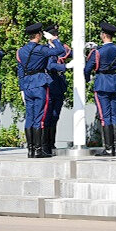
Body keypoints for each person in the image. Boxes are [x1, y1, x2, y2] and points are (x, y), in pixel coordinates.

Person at [16, 22, 65, 158]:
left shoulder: (21, 51)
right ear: (38, 35)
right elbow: (60, 51)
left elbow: (20, 71)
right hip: (39, 84)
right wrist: (54, 39)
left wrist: (22, 87)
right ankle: (38, 150)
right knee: (39, 117)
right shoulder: (41, 49)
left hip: (27, 85)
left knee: (29, 118)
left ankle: (30, 150)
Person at [85, 21, 116, 157]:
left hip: (102, 83)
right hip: (114, 82)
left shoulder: (98, 52)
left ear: (103, 35)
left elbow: (88, 68)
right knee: (114, 116)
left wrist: (87, 79)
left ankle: (108, 149)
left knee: (105, 116)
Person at [44, 24, 72, 154]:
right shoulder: (46, 49)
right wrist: (65, 67)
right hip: (50, 83)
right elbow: (50, 66)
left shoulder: (62, 48)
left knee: (55, 116)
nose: (56, 37)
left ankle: (52, 143)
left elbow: (72, 53)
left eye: (57, 35)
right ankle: (46, 144)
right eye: (54, 35)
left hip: (59, 85)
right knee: (48, 115)